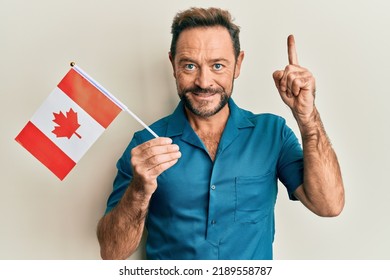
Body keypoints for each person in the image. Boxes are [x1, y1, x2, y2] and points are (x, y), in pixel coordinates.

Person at [97, 7, 345, 260]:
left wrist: (307, 117)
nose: (204, 82)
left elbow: (329, 205)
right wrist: (139, 191)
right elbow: (112, 252)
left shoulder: (272, 133)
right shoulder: (146, 145)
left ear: (238, 64)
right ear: (173, 64)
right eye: (190, 66)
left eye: (217, 65)